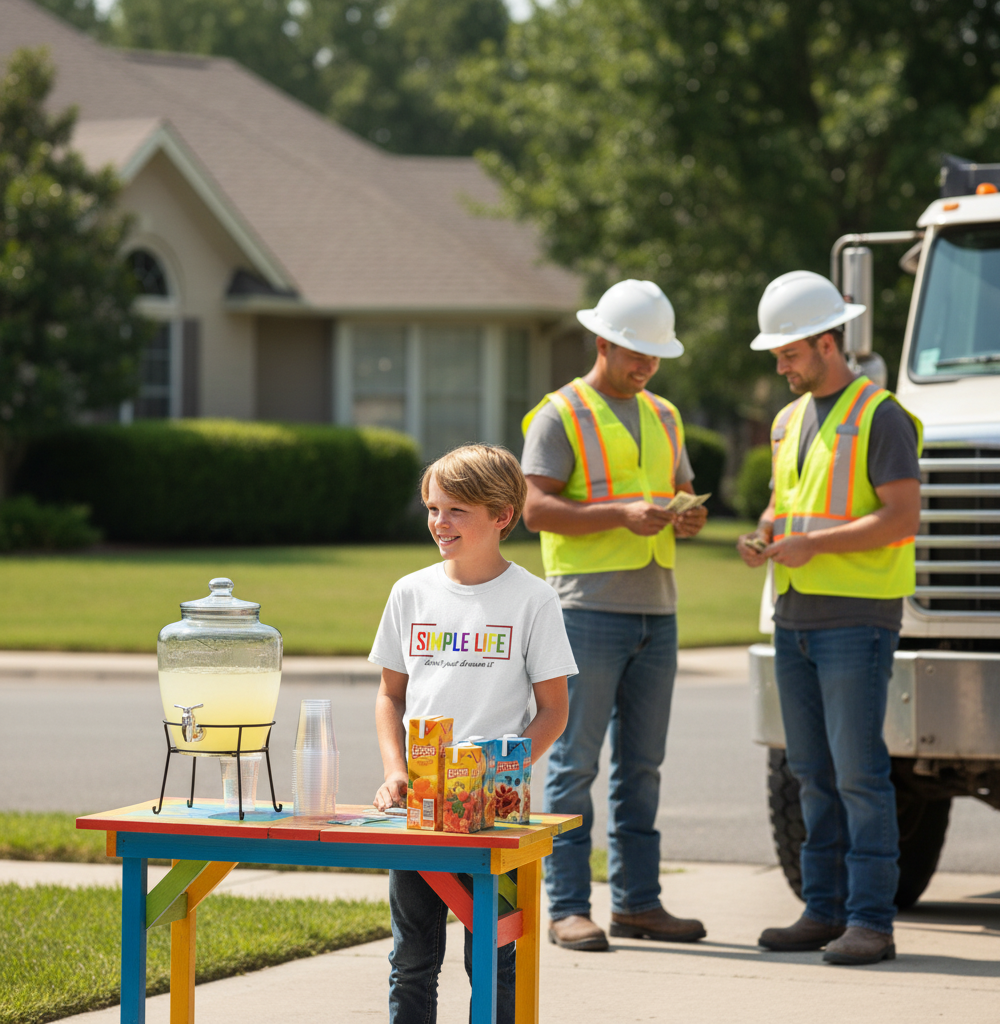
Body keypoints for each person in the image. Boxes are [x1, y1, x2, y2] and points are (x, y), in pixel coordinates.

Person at [738, 270, 922, 966]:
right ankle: (823, 910)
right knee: (810, 772)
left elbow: (902, 515)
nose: (779, 366)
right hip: (795, 617)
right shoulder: (788, 421)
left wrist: (813, 543)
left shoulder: (881, 415)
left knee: (858, 774)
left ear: (825, 342)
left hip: (857, 621)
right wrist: (765, 533)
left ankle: (871, 921)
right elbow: (788, 505)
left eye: (787, 353)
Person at [520, 279, 709, 952]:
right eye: (637, 354)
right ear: (603, 342)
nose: (647, 367)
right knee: (574, 765)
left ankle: (638, 905)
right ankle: (568, 906)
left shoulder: (664, 415)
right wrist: (619, 515)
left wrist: (688, 512)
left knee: (643, 766)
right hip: (586, 612)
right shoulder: (559, 414)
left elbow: (679, 486)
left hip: (657, 611)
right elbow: (534, 507)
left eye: (656, 357)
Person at [370, 443, 576, 1024]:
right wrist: (395, 772)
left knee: (494, 956)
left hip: (497, 812)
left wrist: (499, 775)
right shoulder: (410, 592)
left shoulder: (533, 599)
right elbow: (391, 696)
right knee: (411, 959)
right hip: (420, 808)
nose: (439, 522)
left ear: (501, 516)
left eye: (456, 510)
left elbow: (553, 712)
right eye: (433, 508)